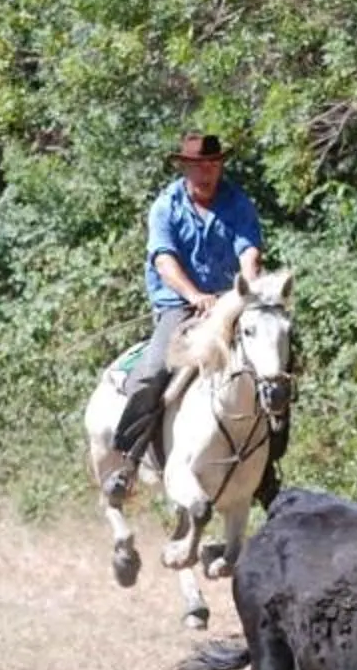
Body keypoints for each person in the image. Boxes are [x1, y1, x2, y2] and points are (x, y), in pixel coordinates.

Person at [106, 130, 263, 498]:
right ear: (185, 167)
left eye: (212, 163)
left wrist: (246, 288)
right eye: (197, 165)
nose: (206, 171)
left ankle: (266, 468)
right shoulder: (166, 206)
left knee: (274, 365)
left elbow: (249, 252)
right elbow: (164, 260)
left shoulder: (238, 202)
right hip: (179, 304)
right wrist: (195, 295)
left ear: (220, 164)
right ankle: (129, 459)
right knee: (154, 370)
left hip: (230, 300)